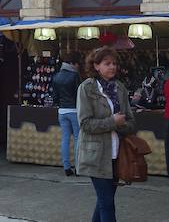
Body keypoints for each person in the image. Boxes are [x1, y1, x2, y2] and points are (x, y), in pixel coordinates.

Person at [77, 47, 136, 222]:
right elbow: (85, 124)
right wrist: (112, 122)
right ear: (96, 66)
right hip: (95, 155)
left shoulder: (120, 88)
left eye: (114, 63)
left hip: (117, 154)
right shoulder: (86, 88)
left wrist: (122, 124)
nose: (112, 67)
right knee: (107, 203)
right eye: (107, 63)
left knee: (104, 201)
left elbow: (131, 121)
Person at [53, 52, 81, 177]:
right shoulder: (75, 76)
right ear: (73, 63)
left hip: (62, 111)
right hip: (74, 110)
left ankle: (66, 167)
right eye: (77, 64)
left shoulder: (56, 76)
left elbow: (55, 97)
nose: (78, 66)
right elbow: (79, 94)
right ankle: (78, 167)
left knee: (65, 139)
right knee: (77, 139)